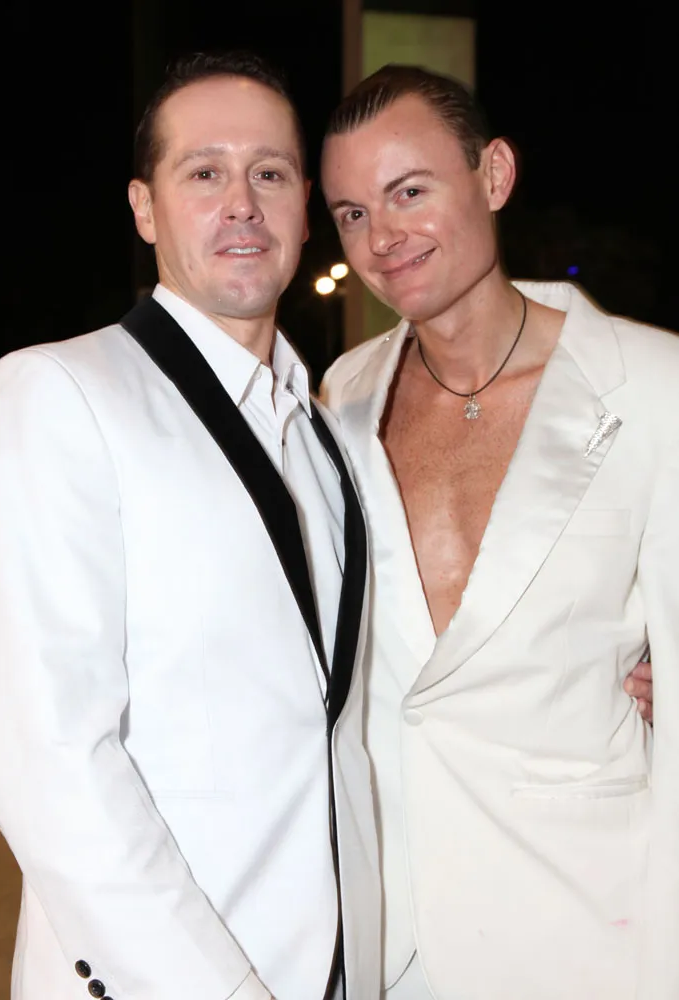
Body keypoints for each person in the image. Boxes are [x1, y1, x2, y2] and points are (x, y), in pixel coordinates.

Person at [0, 52, 380, 1000]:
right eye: (203, 172)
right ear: (144, 208)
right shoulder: (61, 394)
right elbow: (50, 761)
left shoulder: (319, 433)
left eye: (269, 172)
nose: (242, 204)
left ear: (304, 207)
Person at [321, 65, 674, 1000]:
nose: (382, 237)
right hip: (390, 933)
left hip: (590, 930)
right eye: (352, 213)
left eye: (409, 192)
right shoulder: (341, 397)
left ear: (494, 174)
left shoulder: (655, 388)